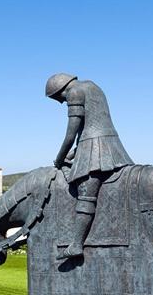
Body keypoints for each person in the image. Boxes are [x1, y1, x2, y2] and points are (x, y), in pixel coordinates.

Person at [46, 73, 134, 259]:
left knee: (86, 194)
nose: (62, 102)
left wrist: (59, 158)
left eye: (59, 98)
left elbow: (71, 134)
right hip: (109, 144)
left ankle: (77, 244)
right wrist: (73, 154)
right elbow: (92, 128)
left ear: (61, 89)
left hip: (95, 150)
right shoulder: (93, 86)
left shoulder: (74, 92)